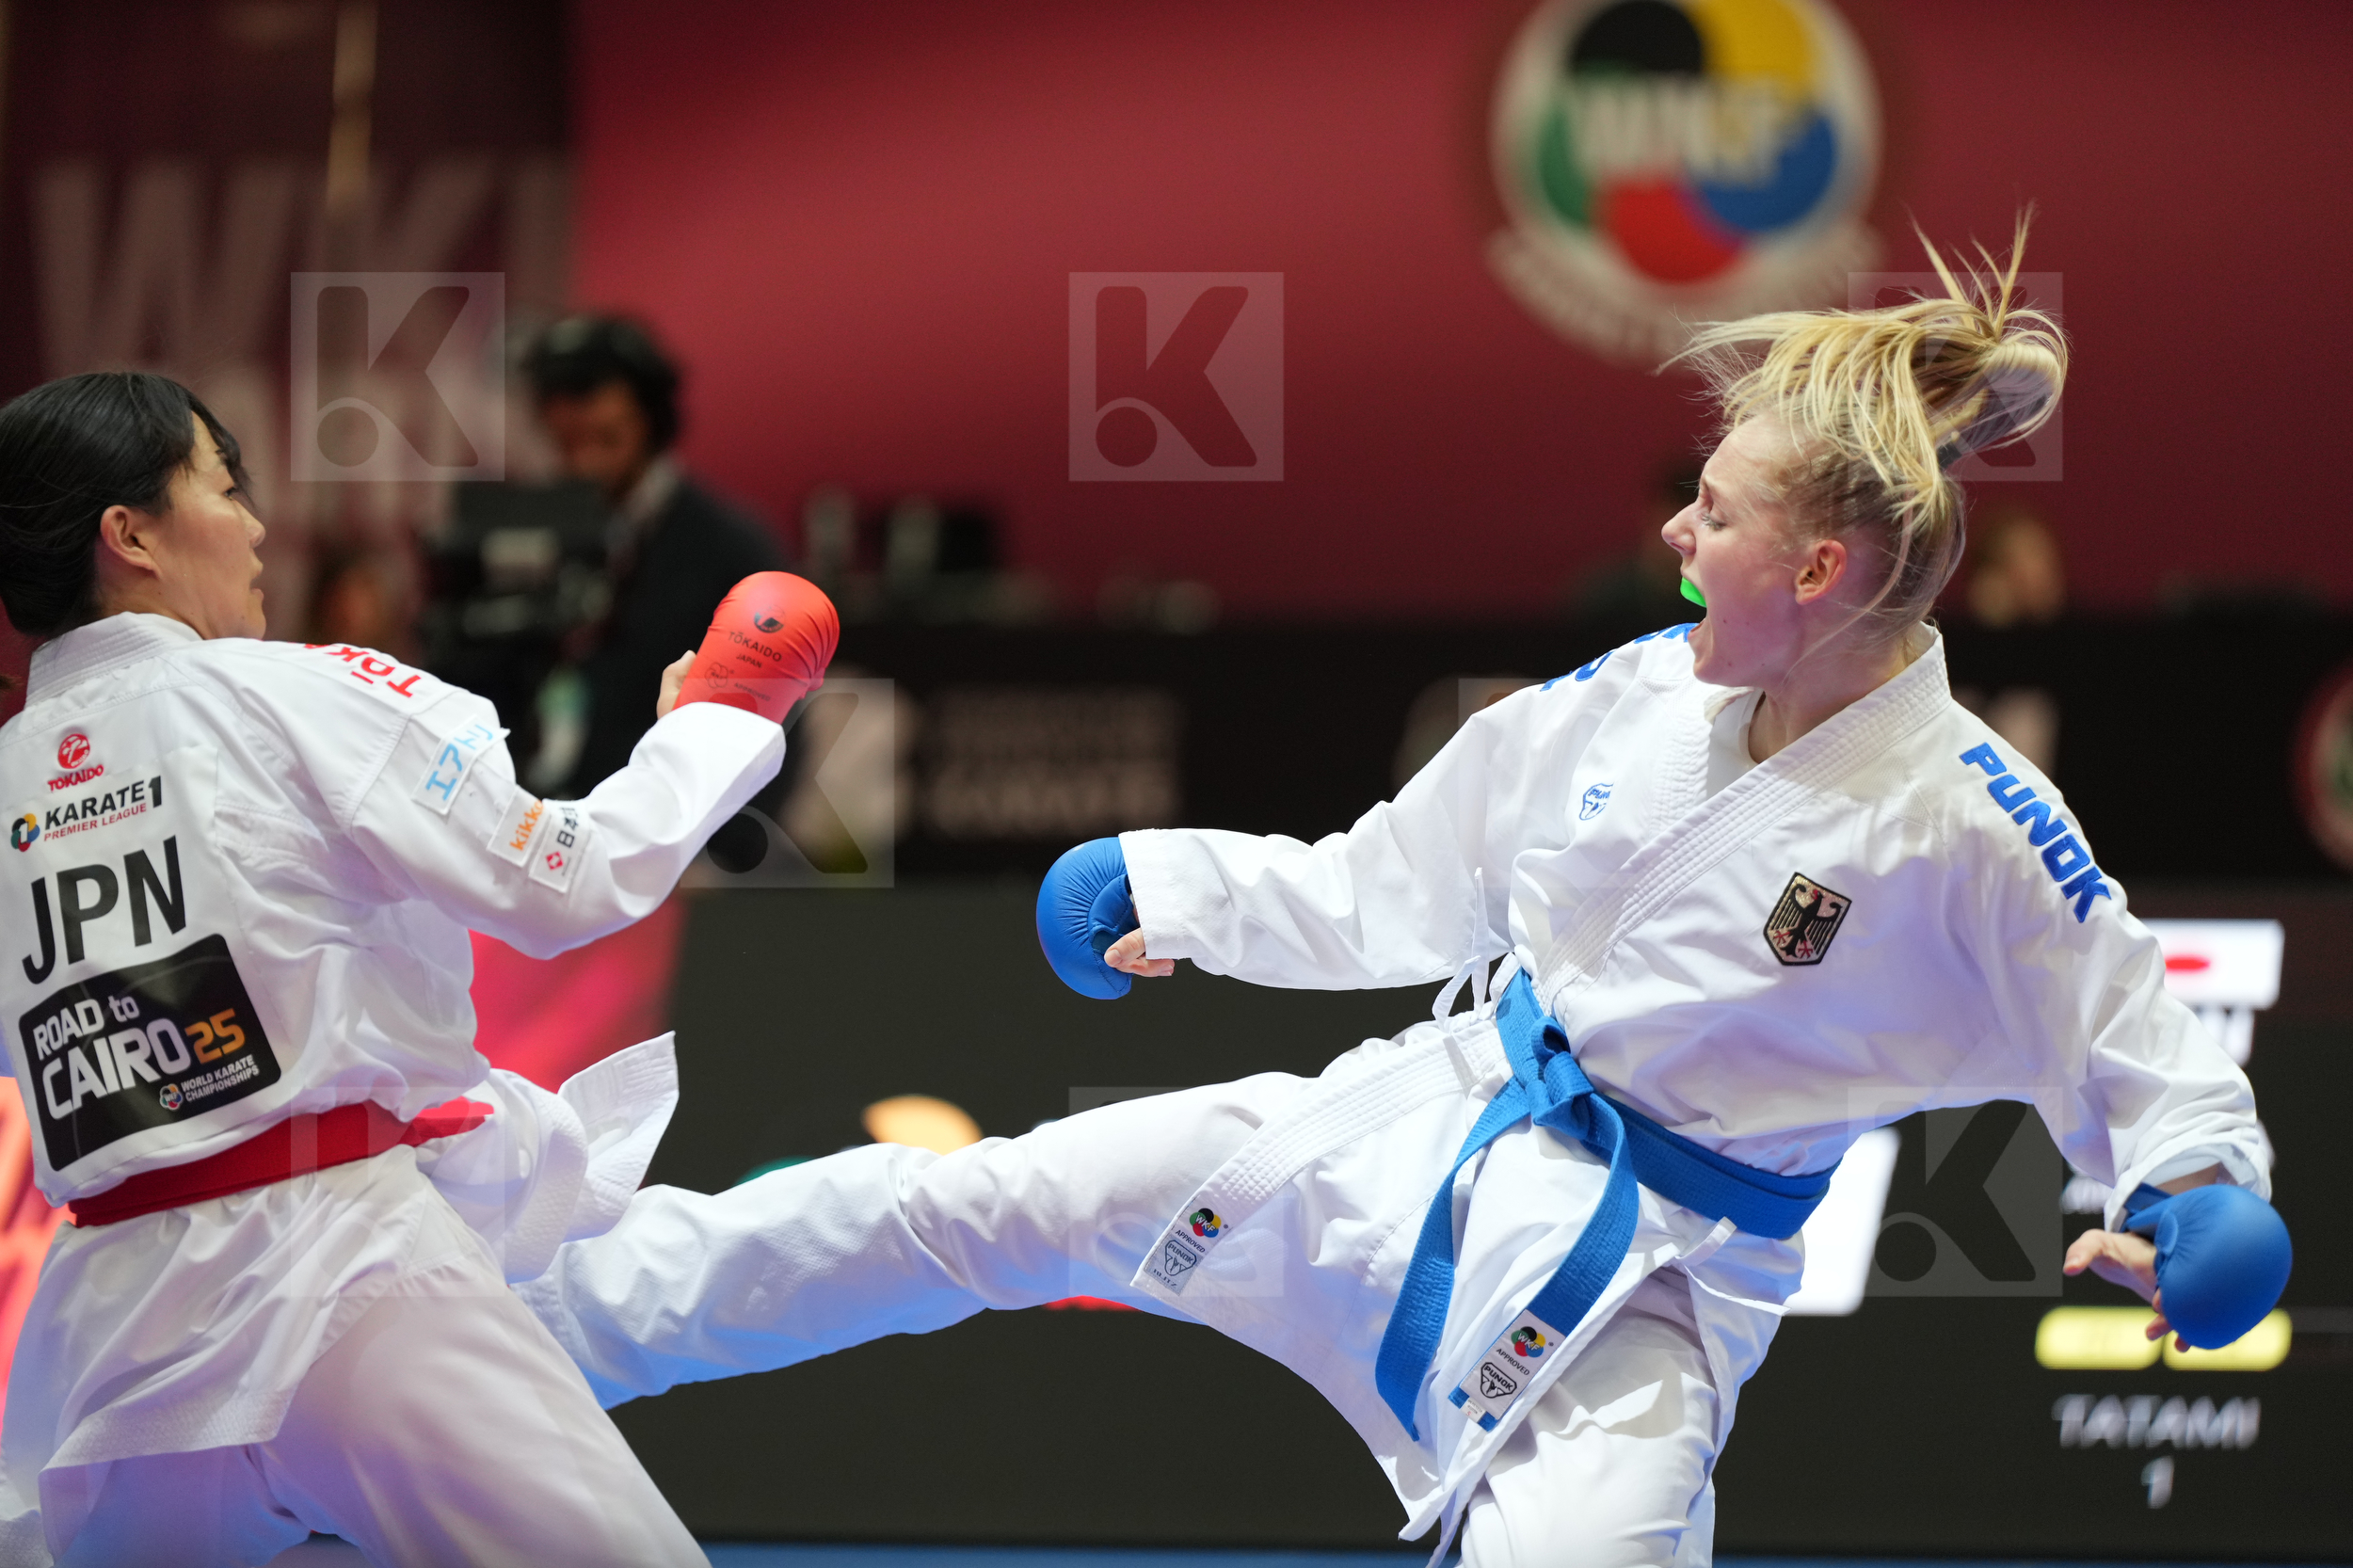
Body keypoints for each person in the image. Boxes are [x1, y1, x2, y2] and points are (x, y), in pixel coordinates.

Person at [516, 230, 2288, 1565]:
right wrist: (1177, 884)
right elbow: (1395, 889)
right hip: (1400, 1135)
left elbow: (2141, 1047)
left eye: (1714, 510)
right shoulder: (1632, 695)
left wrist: (2205, 1197)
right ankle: (546, 1332)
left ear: (1820, 569)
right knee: (993, 1199)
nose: (1677, 532)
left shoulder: (1973, 820)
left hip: (1647, 1287)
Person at [0, 372, 832, 1564]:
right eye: (224, 488)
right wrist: (719, 713)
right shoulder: (290, 693)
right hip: (338, 1276)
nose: (254, 525)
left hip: (110, 1352)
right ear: (127, 536)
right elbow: (566, 881)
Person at [523, 314, 789, 796]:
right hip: (551, 823)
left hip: (676, 837)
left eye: (603, 437)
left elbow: (775, 723)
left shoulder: (731, 550)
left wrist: (722, 854)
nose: (582, 462)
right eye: (565, 444)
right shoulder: (539, 540)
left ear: (648, 417)